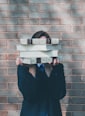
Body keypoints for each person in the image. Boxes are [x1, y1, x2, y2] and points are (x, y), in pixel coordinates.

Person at [16, 31, 66, 116]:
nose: (43, 49)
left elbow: (59, 94)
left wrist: (53, 70)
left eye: (46, 45)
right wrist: (29, 68)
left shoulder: (57, 67)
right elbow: (29, 95)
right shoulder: (25, 67)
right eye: (39, 45)